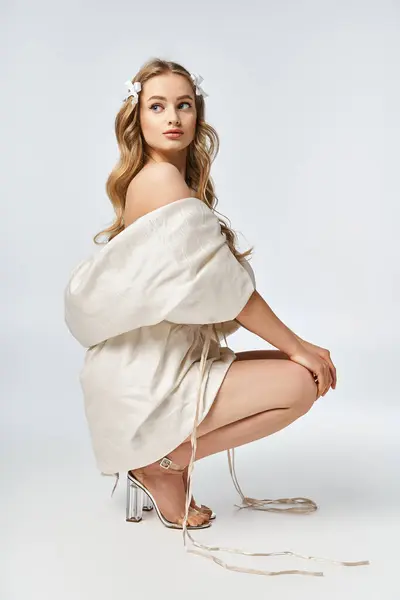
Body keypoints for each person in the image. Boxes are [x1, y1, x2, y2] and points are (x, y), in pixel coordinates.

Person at [64, 58, 370, 577]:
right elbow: (228, 291)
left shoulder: (167, 179)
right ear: (136, 116)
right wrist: (299, 345)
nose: (172, 117)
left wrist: (292, 347)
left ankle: (164, 460)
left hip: (151, 364)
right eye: (156, 106)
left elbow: (209, 287)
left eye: (183, 105)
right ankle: (165, 463)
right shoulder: (160, 180)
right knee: (301, 379)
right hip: (144, 377)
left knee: (297, 373)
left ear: (197, 114)